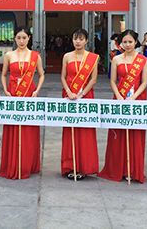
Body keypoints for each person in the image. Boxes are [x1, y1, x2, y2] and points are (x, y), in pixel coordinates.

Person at [99, 30, 147, 183]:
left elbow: (144, 82)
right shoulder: (116, 59)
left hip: (137, 99)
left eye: (130, 42)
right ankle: (117, 169)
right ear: (121, 43)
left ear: (136, 42)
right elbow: (113, 81)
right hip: (119, 98)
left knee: (135, 134)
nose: (127, 45)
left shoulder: (143, 60)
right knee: (119, 134)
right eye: (125, 42)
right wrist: (119, 96)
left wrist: (133, 97)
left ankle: (133, 170)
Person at [0, 27, 45, 179]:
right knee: (13, 128)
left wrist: (37, 90)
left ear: (29, 38)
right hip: (13, 94)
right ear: (15, 38)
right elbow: (3, 74)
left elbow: (41, 74)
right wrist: (5, 90)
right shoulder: (9, 55)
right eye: (18, 38)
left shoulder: (35, 56)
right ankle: (12, 163)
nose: (21, 41)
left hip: (29, 93)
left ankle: (27, 164)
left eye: (24, 38)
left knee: (28, 129)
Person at [60, 28, 100, 180]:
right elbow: (63, 77)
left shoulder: (93, 58)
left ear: (86, 41)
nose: (78, 42)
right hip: (69, 95)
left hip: (86, 96)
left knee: (85, 131)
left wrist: (81, 94)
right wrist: (69, 92)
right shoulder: (67, 56)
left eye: (81, 39)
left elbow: (93, 79)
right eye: (75, 38)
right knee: (70, 130)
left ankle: (84, 166)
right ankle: (70, 166)